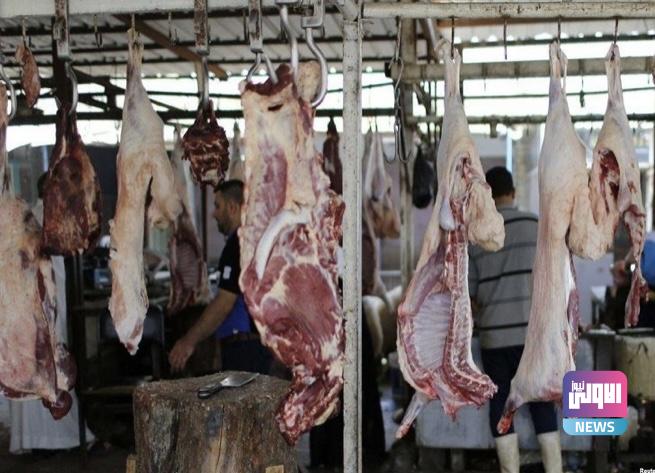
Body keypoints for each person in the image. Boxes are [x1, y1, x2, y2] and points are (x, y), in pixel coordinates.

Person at [469, 167, 562, 473]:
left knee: (500, 404)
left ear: (488, 196)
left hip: (495, 336)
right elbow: (555, 281)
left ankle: (510, 470)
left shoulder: (478, 236)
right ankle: (555, 468)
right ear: (513, 192)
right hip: (532, 337)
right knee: (540, 401)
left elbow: (471, 297)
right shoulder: (535, 226)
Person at [9, 173, 96, 454]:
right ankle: (57, 439)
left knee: (43, 368)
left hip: (39, 309)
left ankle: (35, 440)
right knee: (46, 367)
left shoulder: (39, 219)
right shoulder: (39, 220)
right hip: (40, 311)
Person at [168, 180, 271, 374]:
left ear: (232, 208)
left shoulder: (238, 244)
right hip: (253, 347)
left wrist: (188, 341)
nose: (214, 213)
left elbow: (224, 303)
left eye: (217, 206)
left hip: (246, 349)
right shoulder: (253, 241)